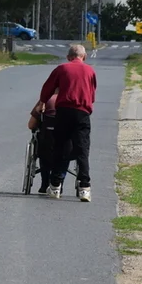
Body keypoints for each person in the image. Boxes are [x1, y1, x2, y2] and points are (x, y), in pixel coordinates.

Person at [36, 43, 97, 202]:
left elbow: (47, 88)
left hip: (63, 112)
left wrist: (43, 102)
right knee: (82, 149)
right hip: (82, 112)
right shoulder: (90, 70)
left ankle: (55, 186)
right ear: (84, 57)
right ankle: (85, 188)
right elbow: (92, 95)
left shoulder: (61, 69)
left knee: (60, 147)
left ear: (68, 57)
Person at [27, 93, 69, 194]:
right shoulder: (73, 102)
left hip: (46, 143)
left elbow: (31, 125)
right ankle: (59, 182)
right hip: (66, 145)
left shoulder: (46, 100)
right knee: (66, 150)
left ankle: (44, 183)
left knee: (43, 150)